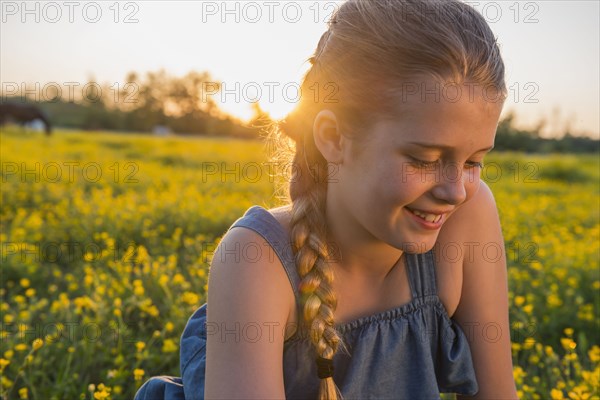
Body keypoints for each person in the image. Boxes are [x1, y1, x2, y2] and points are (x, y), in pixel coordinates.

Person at [134, 0, 518, 398]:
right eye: (423, 159)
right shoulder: (257, 260)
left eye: (474, 162)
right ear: (333, 138)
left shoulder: (468, 216)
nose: (455, 190)